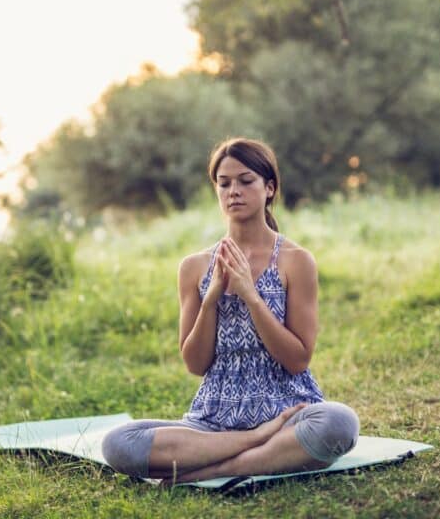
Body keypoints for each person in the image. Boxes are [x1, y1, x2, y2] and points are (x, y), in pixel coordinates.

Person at [101, 138, 359, 483]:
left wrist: (251, 297)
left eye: (245, 181)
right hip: (213, 421)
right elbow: (195, 364)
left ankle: (221, 469)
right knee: (120, 444)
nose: (233, 191)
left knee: (339, 424)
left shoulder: (296, 261)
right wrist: (212, 299)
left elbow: (297, 360)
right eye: (224, 184)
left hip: (289, 412)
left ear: (269, 188)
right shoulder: (194, 267)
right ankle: (258, 443)